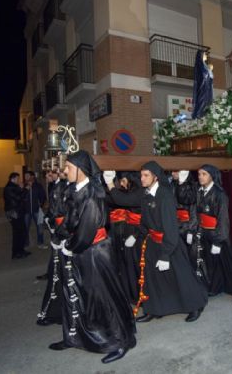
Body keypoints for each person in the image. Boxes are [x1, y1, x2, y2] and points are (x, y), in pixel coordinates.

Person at [48, 151, 136, 364]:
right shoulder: (72, 190)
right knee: (73, 293)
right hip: (80, 250)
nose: (65, 171)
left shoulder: (93, 194)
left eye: (68, 167)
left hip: (95, 253)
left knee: (102, 297)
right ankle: (73, 336)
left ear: (80, 170)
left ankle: (118, 341)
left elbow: (87, 228)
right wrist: (59, 236)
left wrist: (69, 245)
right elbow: (69, 220)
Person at [128, 161, 208, 323]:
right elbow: (144, 222)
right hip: (152, 243)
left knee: (182, 276)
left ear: (155, 177)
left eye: (146, 176)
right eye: (141, 175)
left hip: (169, 244)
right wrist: (136, 235)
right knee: (153, 278)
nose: (141, 179)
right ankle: (155, 309)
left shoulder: (165, 195)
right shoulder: (145, 195)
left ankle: (195, 305)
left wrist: (165, 254)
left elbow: (170, 228)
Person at [195, 165, 232, 306]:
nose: (200, 177)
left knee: (229, 264)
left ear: (211, 176)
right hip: (205, 232)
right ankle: (216, 287)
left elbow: (223, 220)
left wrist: (218, 242)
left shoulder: (220, 194)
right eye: (199, 174)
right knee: (212, 264)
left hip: (218, 235)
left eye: (204, 174)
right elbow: (199, 215)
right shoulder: (200, 191)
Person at [104, 171, 145, 303]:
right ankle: (132, 294)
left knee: (139, 266)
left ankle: (142, 295)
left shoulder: (140, 193)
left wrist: (135, 234)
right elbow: (113, 200)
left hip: (140, 233)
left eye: (123, 180)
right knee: (129, 266)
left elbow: (148, 219)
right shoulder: (129, 191)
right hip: (129, 231)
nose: (121, 183)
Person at [36, 168, 70, 325]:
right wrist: (50, 219)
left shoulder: (65, 187)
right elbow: (54, 209)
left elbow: (68, 213)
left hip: (64, 234)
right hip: (58, 232)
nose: (48, 177)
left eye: (51, 173)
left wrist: (59, 231)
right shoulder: (56, 186)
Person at [3, 173, 30, 259]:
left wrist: (21, 189)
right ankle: (16, 253)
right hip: (14, 213)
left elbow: (19, 195)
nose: (19, 180)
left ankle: (20, 251)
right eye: (17, 179)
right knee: (18, 233)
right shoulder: (9, 188)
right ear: (13, 179)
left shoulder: (13, 187)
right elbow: (18, 198)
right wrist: (25, 189)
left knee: (21, 232)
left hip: (17, 212)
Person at [23, 171, 47, 249]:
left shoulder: (38, 186)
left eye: (27, 175)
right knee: (25, 228)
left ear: (32, 177)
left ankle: (40, 243)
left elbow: (43, 196)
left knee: (40, 227)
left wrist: (41, 205)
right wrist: (25, 189)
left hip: (36, 210)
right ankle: (26, 243)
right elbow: (20, 197)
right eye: (25, 176)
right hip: (26, 210)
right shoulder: (23, 186)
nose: (25, 177)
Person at [192, 50, 214, 119]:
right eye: (204, 54)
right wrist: (209, 70)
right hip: (202, 88)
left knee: (207, 102)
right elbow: (202, 76)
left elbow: (210, 77)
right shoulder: (200, 65)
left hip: (207, 88)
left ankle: (204, 115)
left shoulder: (205, 65)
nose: (206, 56)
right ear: (201, 56)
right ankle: (198, 115)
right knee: (202, 101)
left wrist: (209, 70)